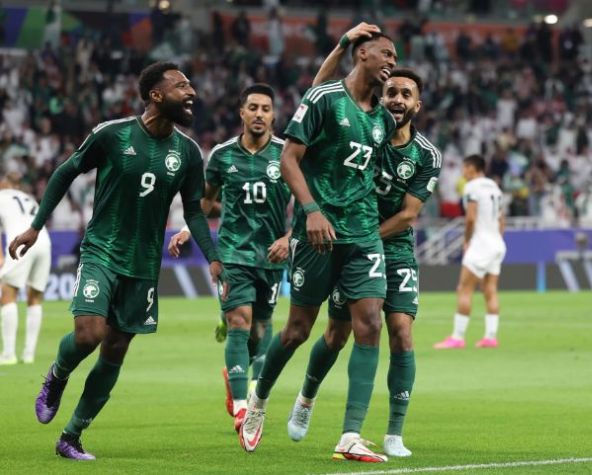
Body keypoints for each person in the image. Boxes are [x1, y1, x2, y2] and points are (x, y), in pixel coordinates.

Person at [8, 61, 225, 461]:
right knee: (88, 334)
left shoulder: (189, 152)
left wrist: (212, 257)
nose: (191, 92)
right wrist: (36, 226)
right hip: (102, 251)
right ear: (156, 95)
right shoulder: (113, 134)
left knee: (115, 349)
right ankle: (57, 374)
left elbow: (194, 211)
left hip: (144, 265)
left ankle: (71, 436)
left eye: (191, 85)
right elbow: (66, 172)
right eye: (181, 86)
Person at [239, 30, 398, 463]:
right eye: (385, 53)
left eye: (395, 57)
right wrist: (310, 210)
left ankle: (350, 434)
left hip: (362, 234)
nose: (391, 61)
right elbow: (288, 158)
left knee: (370, 324)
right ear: (361, 54)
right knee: (296, 331)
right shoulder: (325, 98)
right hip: (317, 235)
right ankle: (258, 400)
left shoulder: (384, 121)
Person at [284, 24, 442, 459]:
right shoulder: (363, 124)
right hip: (346, 238)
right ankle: (306, 398)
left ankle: (393, 433)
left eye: (407, 94)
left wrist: (363, 238)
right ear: (381, 94)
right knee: (336, 334)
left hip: (389, 244)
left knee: (401, 331)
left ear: (417, 105)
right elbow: (317, 94)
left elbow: (408, 214)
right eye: (392, 92)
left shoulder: (426, 155)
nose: (398, 99)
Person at [168, 83, 291, 432]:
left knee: (260, 330)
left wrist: (289, 239)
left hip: (271, 256)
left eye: (265, 109)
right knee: (240, 321)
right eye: (253, 107)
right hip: (233, 253)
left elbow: (308, 199)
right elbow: (206, 200)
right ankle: (242, 407)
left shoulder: (288, 154)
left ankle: (236, 376)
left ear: (273, 115)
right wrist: (187, 229)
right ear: (242, 113)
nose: (259, 114)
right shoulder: (222, 155)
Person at [433, 154, 506, 349]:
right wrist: (496, 238)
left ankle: (457, 337)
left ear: (472, 168)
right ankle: (490, 337)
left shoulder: (472, 187)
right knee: (490, 290)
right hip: (497, 243)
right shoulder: (494, 187)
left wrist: (467, 240)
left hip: (481, 244)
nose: (463, 172)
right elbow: (502, 219)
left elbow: (471, 218)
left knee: (464, 289)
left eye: (465, 168)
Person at [0, 173, 52, 365]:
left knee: (8, 293)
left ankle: (8, 354)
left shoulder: (1, 196)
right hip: (43, 241)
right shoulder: (28, 198)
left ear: (4, 183)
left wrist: (0, 257)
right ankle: (29, 354)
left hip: (21, 240)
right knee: (35, 297)